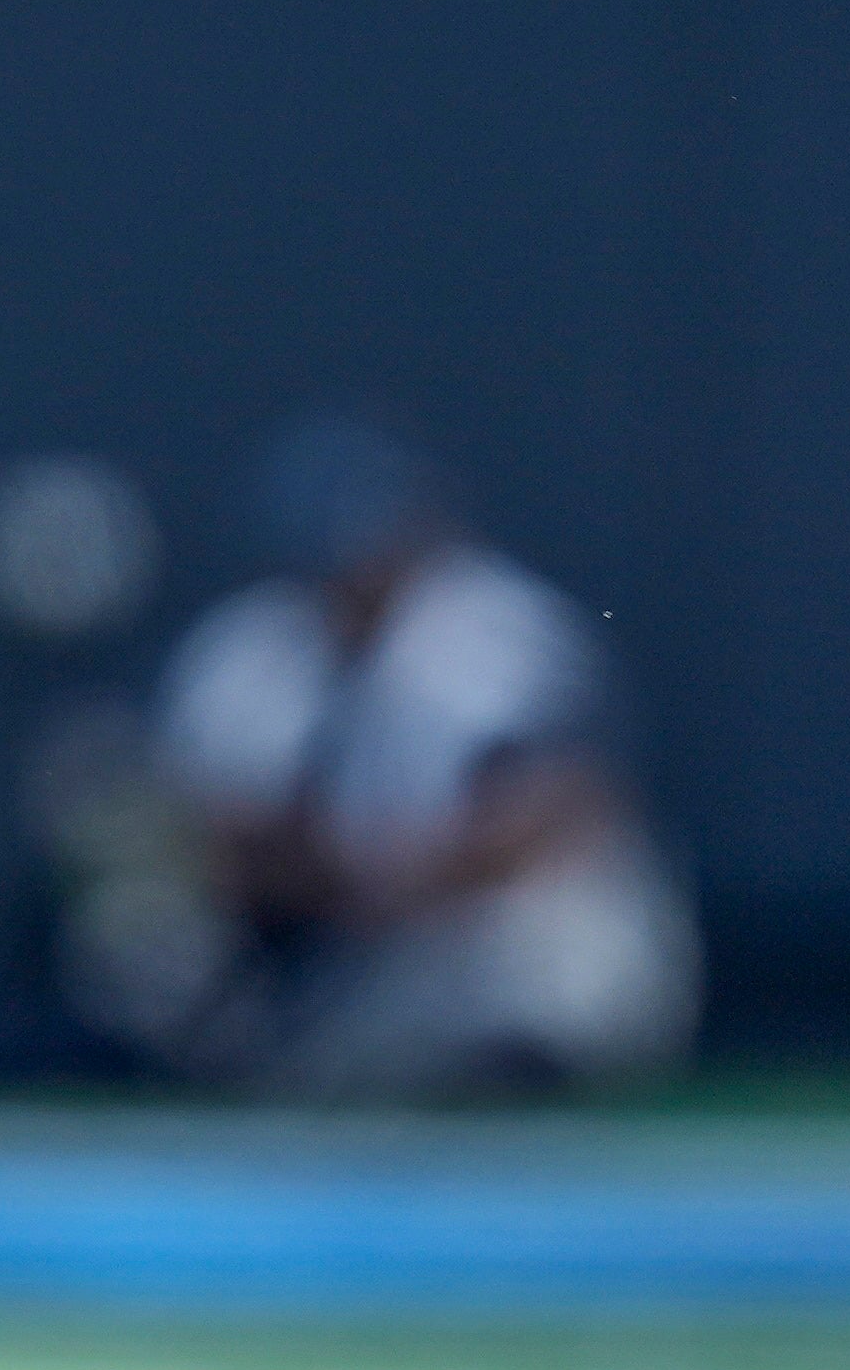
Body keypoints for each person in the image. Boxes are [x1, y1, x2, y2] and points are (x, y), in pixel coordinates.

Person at [151, 416, 695, 1100]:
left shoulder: (497, 624)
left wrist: (420, 868)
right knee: (152, 921)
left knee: (562, 943)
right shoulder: (250, 648)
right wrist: (345, 871)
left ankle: (535, 1073)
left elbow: (564, 802)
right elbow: (209, 834)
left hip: (486, 917)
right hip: (347, 937)